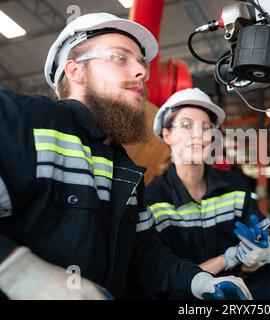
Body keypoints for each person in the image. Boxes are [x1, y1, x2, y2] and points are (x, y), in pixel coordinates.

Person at [0, 13, 252, 300]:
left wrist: (199, 281)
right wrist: (20, 274)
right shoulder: (21, 119)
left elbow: (143, 254)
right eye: (120, 58)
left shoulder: (124, 168)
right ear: (75, 71)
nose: (143, 72)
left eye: (142, 63)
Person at [146, 88, 270, 299]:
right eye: (187, 125)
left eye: (206, 127)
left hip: (234, 296)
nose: (198, 135)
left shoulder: (233, 186)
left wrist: (268, 249)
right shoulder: (152, 199)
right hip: (184, 298)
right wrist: (229, 258)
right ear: (167, 135)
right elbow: (162, 275)